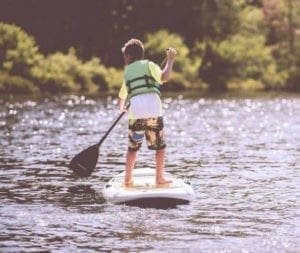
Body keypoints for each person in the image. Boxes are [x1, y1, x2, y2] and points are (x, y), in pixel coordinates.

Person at [118, 38, 177, 186]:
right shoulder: (150, 65)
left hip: (136, 113)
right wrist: (170, 60)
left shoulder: (127, 72)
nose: (124, 59)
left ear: (129, 56)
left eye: (125, 56)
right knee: (160, 147)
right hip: (153, 111)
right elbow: (165, 77)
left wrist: (121, 107)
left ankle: (127, 179)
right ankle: (159, 178)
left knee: (133, 148)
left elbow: (122, 95)